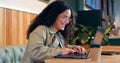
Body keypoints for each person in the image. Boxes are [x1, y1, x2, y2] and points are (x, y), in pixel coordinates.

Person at [22, 0, 87, 63]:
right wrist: (60, 51)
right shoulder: (40, 30)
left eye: (68, 18)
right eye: (64, 17)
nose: (67, 22)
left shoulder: (58, 34)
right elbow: (34, 52)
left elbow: (61, 48)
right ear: (54, 15)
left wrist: (73, 48)